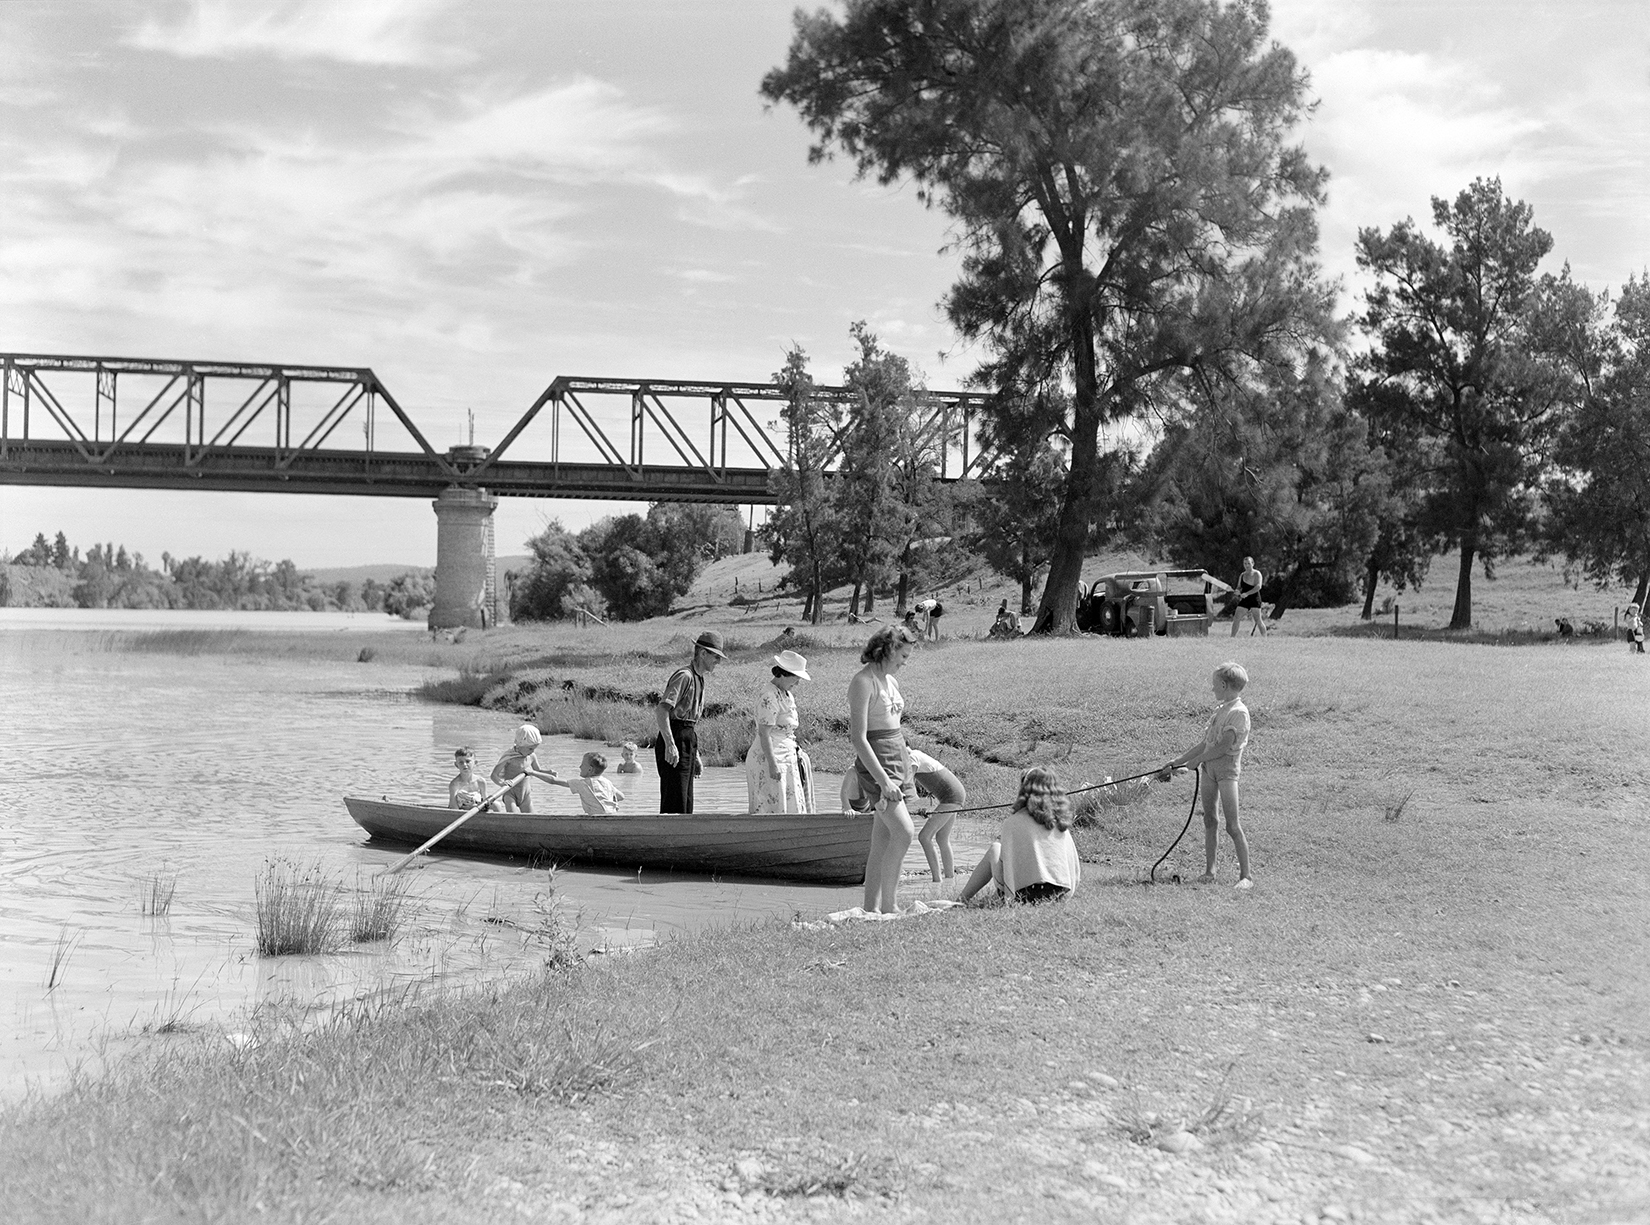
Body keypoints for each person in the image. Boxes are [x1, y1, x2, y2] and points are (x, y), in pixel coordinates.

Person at [1157, 661, 1253, 888]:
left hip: (1227, 772)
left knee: (1232, 825)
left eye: (1214, 685)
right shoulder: (1220, 711)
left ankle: (1246, 877)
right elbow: (1207, 743)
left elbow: (1223, 747)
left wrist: (1196, 761)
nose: (1212, 689)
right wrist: (1179, 761)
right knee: (1210, 820)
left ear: (1223, 684)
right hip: (1209, 771)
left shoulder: (1239, 713)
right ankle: (1210, 872)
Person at [848, 623, 921, 913]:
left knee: (883, 839)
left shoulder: (891, 681)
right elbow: (858, 738)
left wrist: (906, 760)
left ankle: (870, 908)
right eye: (903, 656)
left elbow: (895, 727)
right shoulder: (863, 682)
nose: (905, 663)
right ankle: (891, 907)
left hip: (897, 756)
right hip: (877, 762)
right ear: (889, 650)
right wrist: (883, 781)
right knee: (904, 832)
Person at [838, 745, 966, 883]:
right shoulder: (916, 755)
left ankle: (937, 880)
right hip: (956, 794)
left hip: (951, 798)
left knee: (924, 837)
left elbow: (905, 786)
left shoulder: (912, 759)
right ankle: (949, 880)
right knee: (942, 839)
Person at [957, 766, 1080, 905]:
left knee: (995, 849)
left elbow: (1009, 866)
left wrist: (1009, 901)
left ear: (1023, 790)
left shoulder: (1013, 822)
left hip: (1025, 897)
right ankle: (966, 900)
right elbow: (1073, 869)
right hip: (1058, 895)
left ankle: (961, 900)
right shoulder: (1060, 823)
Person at [654, 630, 725, 813]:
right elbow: (662, 710)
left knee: (686, 800)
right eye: (716, 657)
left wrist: (696, 755)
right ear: (703, 653)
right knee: (674, 800)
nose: (719, 662)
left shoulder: (699, 679)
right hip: (674, 737)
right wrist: (670, 745)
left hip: (687, 739)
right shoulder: (684, 676)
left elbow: (690, 723)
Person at [746, 649, 816, 813]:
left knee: (791, 805)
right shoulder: (769, 696)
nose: (797, 682)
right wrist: (773, 764)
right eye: (795, 678)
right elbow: (764, 733)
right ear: (784, 674)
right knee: (771, 805)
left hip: (787, 756)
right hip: (770, 758)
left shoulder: (787, 694)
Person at [491, 724, 559, 813]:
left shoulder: (531, 756)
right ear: (519, 744)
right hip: (510, 793)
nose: (532, 751)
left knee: (531, 819)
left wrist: (548, 772)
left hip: (525, 794)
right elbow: (494, 775)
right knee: (513, 818)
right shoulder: (509, 757)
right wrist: (502, 783)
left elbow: (537, 770)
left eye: (534, 749)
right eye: (530, 748)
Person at [545, 751, 624, 815]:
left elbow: (553, 780)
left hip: (596, 819)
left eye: (582, 765)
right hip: (611, 815)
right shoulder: (607, 782)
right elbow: (621, 796)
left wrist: (533, 772)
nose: (580, 767)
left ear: (590, 769)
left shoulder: (582, 783)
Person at [1232, 556, 1268, 637]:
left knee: (1258, 620)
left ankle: (1265, 639)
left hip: (1254, 599)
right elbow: (1239, 587)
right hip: (1245, 599)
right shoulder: (1242, 575)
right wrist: (1238, 591)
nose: (1247, 565)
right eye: (1245, 563)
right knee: (1236, 618)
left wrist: (1247, 593)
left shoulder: (1257, 574)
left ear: (1253, 563)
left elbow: (1258, 587)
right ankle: (1232, 638)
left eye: (1248, 563)